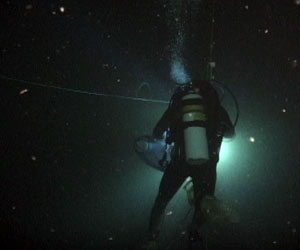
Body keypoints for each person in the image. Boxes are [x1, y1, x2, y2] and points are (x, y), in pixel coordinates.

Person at [145, 80, 235, 250]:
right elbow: (231, 134)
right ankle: (194, 236)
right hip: (207, 167)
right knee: (205, 203)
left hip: (179, 163)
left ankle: (152, 239)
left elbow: (157, 132)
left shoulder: (178, 107)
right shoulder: (217, 109)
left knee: (162, 200)